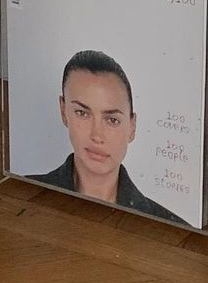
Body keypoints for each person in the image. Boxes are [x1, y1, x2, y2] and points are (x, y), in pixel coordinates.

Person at [28, 49, 186, 224]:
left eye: (112, 120)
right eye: (82, 113)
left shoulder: (167, 227)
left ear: (132, 127)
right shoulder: (24, 195)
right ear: (64, 111)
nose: (97, 135)